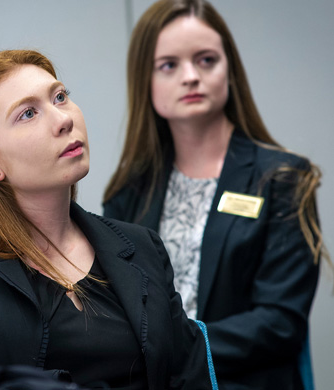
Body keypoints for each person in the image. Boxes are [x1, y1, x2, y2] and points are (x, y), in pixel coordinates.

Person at [0, 50, 216, 390]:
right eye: (28, 113)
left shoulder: (141, 245)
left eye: (60, 97)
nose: (63, 119)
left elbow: (189, 373)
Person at [103, 1, 325, 389]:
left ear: (230, 71)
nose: (191, 76)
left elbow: (280, 322)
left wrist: (180, 345)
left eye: (206, 60)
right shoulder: (129, 191)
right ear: (146, 80)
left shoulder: (283, 179)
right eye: (169, 65)